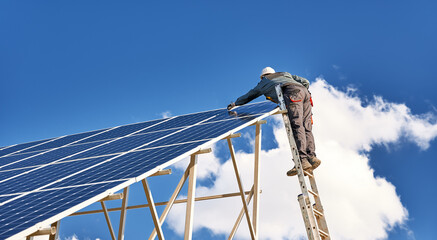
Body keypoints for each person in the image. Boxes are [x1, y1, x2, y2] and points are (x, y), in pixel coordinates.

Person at [227, 67, 321, 176]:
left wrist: (235, 103)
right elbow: (306, 82)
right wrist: (301, 91)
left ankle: (303, 161)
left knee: (296, 125)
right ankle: (312, 157)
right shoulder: (285, 74)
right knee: (306, 127)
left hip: (292, 93)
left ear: (263, 77)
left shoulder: (264, 82)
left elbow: (250, 95)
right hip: (305, 94)